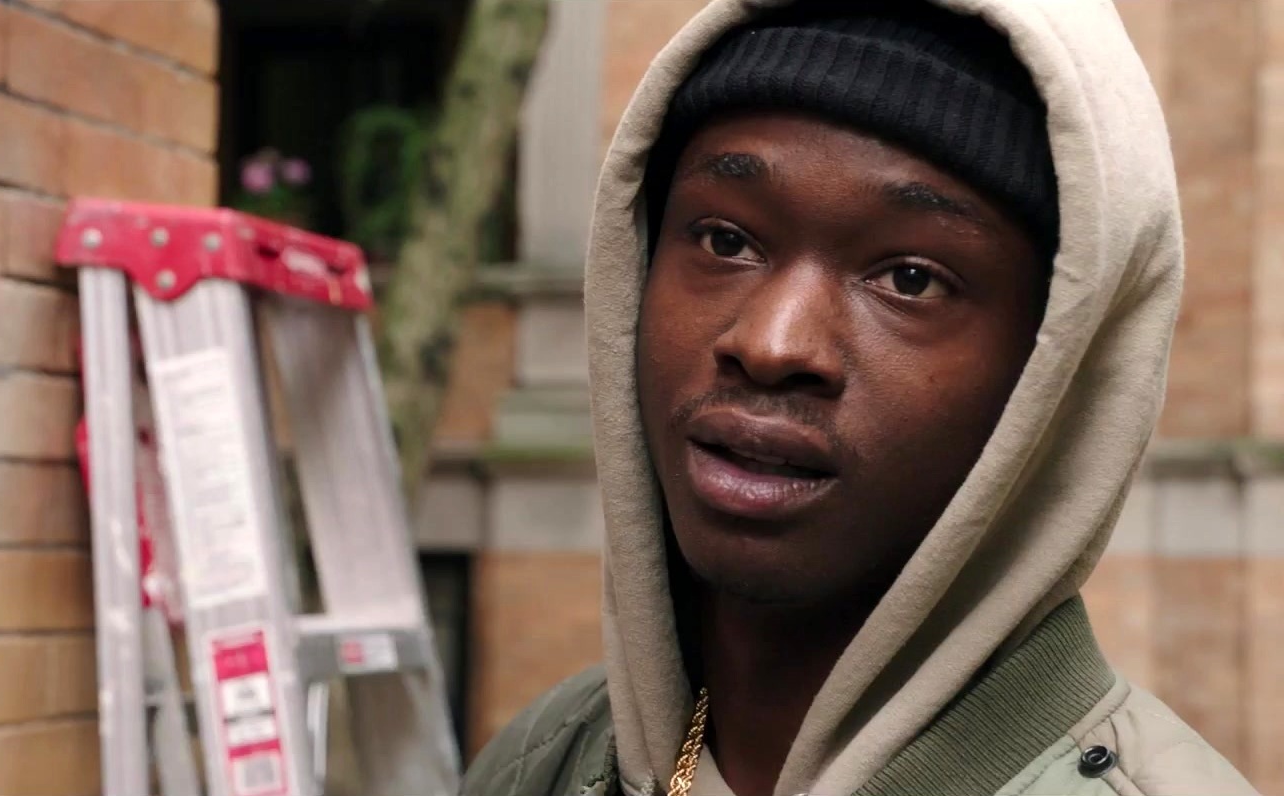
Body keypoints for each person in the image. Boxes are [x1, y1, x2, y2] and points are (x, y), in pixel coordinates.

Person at [460, 1, 1261, 794]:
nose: (772, 344)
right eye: (725, 240)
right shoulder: (546, 761)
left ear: (1057, 375)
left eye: (910, 280)